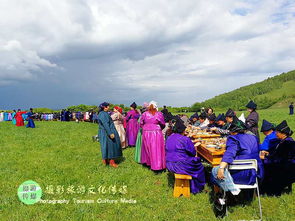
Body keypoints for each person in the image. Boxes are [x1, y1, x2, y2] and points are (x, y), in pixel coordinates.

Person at [211, 119, 263, 195]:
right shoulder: (254, 138)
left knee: (215, 171)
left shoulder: (233, 138)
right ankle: (244, 194)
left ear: (233, 131)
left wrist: (221, 168)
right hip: (255, 174)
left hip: (240, 175)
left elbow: (229, 153)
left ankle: (230, 192)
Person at [166, 119, 206, 194]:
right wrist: (195, 146)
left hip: (169, 163)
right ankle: (197, 188)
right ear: (183, 131)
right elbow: (192, 153)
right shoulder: (185, 139)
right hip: (180, 165)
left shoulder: (170, 137)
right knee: (199, 165)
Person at [260, 120, 295, 196]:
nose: (275, 134)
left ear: (283, 134)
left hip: (286, 168)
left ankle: (268, 191)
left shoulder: (288, 143)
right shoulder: (283, 141)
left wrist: (265, 159)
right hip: (283, 165)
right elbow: (278, 155)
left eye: (277, 132)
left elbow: (281, 159)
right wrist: (268, 154)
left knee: (263, 166)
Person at [140, 101, 166, 171]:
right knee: (156, 149)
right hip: (156, 133)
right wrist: (158, 128)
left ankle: (148, 163)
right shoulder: (159, 114)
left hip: (146, 132)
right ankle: (157, 165)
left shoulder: (144, 114)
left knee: (147, 148)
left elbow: (141, 123)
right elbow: (163, 123)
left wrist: (146, 128)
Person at [97, 102, 123, 168]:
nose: (109, 107)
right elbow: (105, 124)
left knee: (107, 146)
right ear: (104, 107)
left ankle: (106, 160)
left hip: (106, 131)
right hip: (106, 132)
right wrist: (110, 133)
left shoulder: (104, 113)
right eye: (108, 106)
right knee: (111, 146)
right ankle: (111, 162)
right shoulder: (103, 114)